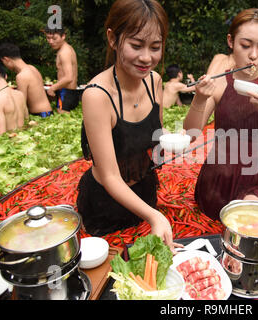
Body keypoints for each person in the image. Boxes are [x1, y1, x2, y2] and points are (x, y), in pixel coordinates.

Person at [76, 0, 181, 252]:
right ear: (113, 39)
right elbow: (110, 175)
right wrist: (155, 217)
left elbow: (154, 133)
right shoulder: (97, 95)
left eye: (155, 47)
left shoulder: (154, 80)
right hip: (106, 204)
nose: (147, 57)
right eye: (136, 45)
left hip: (145, 194)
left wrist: (171, 140)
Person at [183, 8, 258, 220]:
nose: (253, 55)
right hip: (217, 177)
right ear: (231, 41)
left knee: (248, 225)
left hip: (256, 177)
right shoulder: (219, 82)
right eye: (245, 45)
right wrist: (199, 98)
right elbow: (191, 133)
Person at [0, 43, 53, 118]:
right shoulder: (32, 68)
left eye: (3, 62)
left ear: (6, 59)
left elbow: (21, 104)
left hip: (40, 115)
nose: (5, 66)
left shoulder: (21, 76)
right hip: (48, 113)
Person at [0, 62, 28, 135]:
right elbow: (26, 120)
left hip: (8, 141)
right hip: (22, 138)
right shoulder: (20, 94)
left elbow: (0, 132)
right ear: (5, 76)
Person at [44, 27, 79, 113]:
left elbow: (68, 77)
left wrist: (52, 88)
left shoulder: (64, 52)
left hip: (66, 93)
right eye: (48, 38)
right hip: (69, 92)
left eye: (54, 38)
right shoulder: (67, 49)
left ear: (63, 36)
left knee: (64, 121)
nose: (51, 41)